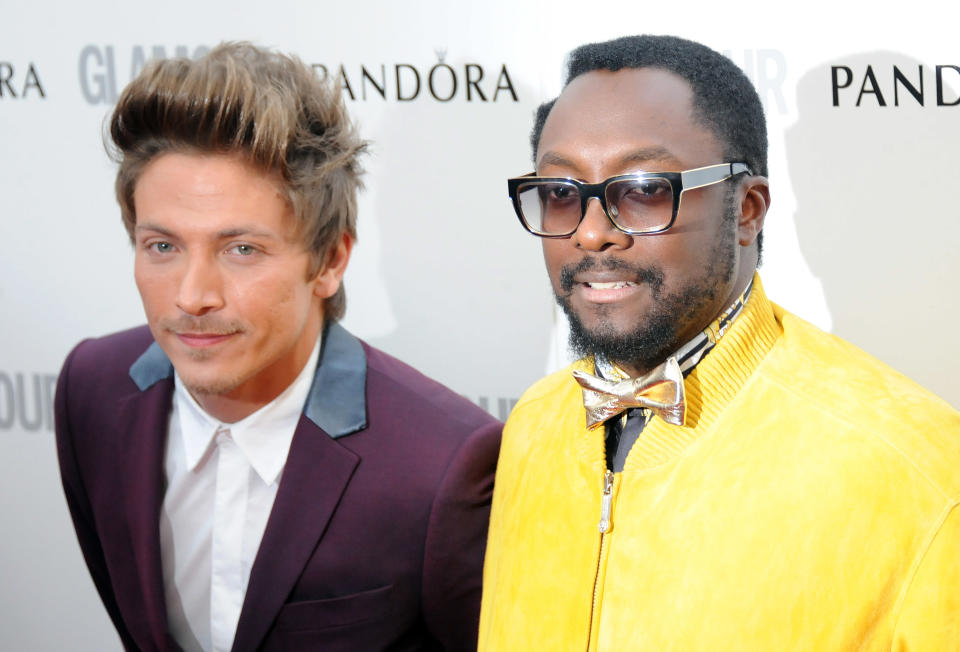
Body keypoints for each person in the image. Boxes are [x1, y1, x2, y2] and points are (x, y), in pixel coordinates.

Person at [478, 34, 959, 651]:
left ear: (747, 210)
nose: (592, 234)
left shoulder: (918, 472)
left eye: (645, 189)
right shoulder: (532, 425)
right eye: (560, 194)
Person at [55, 42, 500, 652]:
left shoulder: (440, 469)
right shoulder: (92, 391)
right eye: (162, 246)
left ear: (330, 260)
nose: (192, 296)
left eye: (241, 249)